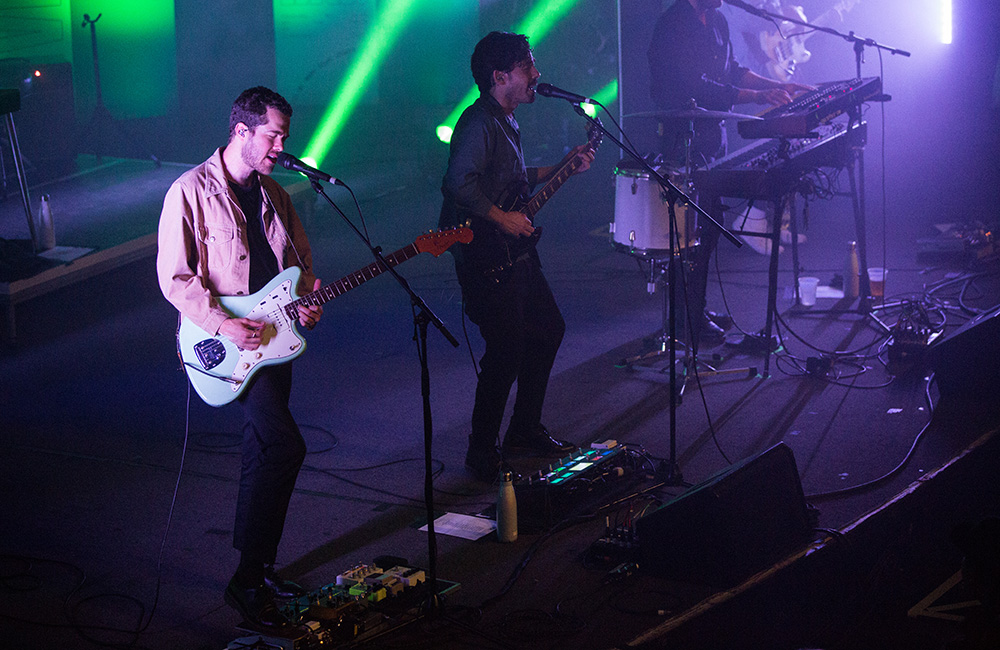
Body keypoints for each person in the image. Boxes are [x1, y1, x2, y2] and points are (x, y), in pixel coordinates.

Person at [156, 86, 323, 630]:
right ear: (241, 132)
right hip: (227, 343)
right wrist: (224, 322)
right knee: (285, 445)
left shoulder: (277, 194)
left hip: (275, 339)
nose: (280, 145)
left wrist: (307, 305)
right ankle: (246, 579)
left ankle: (260, 568)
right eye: (272, 135)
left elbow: (299, 265)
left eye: (284, 137)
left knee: (261, 451)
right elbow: (175, 278)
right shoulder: (190, 190)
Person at [439, 31, 595, 483]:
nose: (537, 74)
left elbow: (509, 176)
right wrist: (500, 218)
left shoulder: (505, 118)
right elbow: (458, 184)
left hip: (515, 253)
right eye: (529, 66)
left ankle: (524, 429)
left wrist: (563, 164)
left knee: (547, 330)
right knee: (505, 351)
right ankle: (480, 451)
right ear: (500, 76)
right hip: (486, 253)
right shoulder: (477, 122)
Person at [647, 0, 811, 348]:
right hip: (683, 139)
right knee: (688, 233)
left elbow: (732, 71)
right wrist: (756, 96)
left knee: (706, 230)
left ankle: (696, 309)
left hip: (711, 136)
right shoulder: (674, 24)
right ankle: (684, 319)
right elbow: (697, 86)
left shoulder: (717, 20)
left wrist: (776, 88)